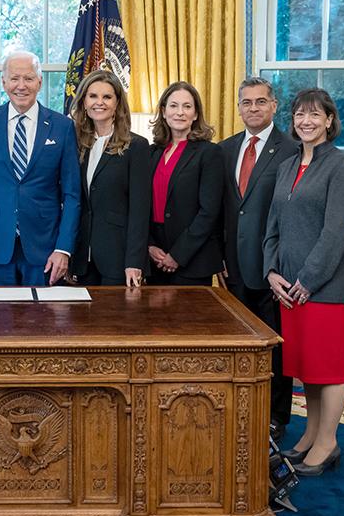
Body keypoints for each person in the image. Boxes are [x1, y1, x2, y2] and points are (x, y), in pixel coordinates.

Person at [263, 88, 344, 476]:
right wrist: (272, 273)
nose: (307, 121)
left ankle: (328, 442)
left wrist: (307, 280)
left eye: (315, 115)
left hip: (324, 287)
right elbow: (273, 226)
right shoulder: (288, 166)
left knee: (329, 367)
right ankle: (311, 436)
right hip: (288, 286)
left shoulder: (341, 167)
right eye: (301, 115)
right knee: (307, 367)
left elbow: (336, 233)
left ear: (330, 121)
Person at [218, 77, 299, 442]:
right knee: (237, 345)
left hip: (273, 268)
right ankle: (238, 410)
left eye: (261, 102)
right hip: (231, 265)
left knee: (273, 347)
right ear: (238, 107)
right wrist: (219, 256)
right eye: (247, 102)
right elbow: (223, 210)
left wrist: (277, 264)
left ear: (274, 106)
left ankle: (276, 416)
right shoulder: (224, 149)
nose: (253, 108)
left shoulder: (292, 149)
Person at [0, 50, 81, 286]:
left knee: (42, 321)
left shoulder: (62, 126)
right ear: (3, 82)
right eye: (14, 78)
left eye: (28, 78)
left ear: (39, 82)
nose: (21, 86)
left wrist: (63, 248)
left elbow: (72, 195)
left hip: (45, 249)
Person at [69, 70, 150, 287]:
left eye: (107, 97)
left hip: (119, 258)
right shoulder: (76, 145)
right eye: (93, 96)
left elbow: (140, 211)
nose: (99, 103)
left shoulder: (137, 146)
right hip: (82, 257)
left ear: (117, 103)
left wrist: (134, 261)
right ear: (84, 101)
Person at [147, 81, 223, 285]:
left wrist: (178, 255)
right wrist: (150, 245)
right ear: (163, 112)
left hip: (192, 260)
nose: (179, 112)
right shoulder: (152, 152)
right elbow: (141, 204)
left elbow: (209, 212)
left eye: (187, 106)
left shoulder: (210, 153)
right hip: (155, 259)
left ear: (196, 114)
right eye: (173, 106)